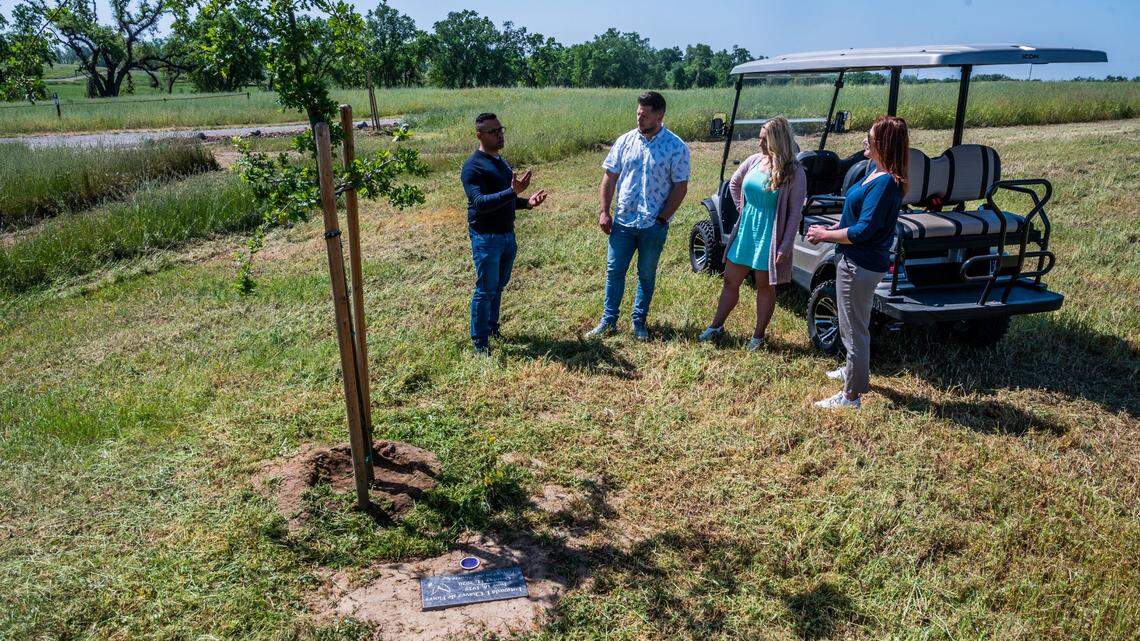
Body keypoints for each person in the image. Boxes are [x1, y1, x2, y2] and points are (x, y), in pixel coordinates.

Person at [806, 115, 908, 409]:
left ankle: (851, 396)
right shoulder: (875, 173)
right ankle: (853, 371)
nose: (865, 139)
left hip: (859, 264)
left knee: (854, 329)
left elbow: (864, 230)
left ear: (884, 144)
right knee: (852, 323)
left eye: (871, 136)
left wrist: (826, 233)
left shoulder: (885, 183)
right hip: (855, 262)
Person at [585, 91, 690, 341]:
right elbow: (609, 176)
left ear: (660, 115)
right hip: (623, 221)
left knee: (646, 273)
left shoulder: (676, 147)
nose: (639, 118)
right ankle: (608, 321)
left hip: (653, 224)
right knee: (614, 271)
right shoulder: (625, 141)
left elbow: (680, 186)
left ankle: (638, 321)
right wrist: (604, 211)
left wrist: (662, 219)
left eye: (645, 114)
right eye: (637, 113)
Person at [697, 116, 806, 350]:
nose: (759, 145)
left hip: (771, 233)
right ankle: (716, 326)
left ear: (777, 141)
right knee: (730, 279)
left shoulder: (794, 172)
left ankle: (757, 336)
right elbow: (734, 184)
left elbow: (795, 212)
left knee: (764, 286)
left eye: (763, 140)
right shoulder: (755, 161)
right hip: (747, 229)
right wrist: (742, 208)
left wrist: (785, 245)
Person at [460, 112, 548, 355]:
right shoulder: (472, 166)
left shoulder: (501, 161)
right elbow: (480, 202)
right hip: (486, 237)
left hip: (507, 236)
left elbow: (505, 198)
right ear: (479, 135)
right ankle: (480, 343)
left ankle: (492, 328)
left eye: (501, 130)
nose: (499, 135)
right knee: (485, 289)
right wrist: (512, 193)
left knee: (498, 287)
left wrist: (526, 202)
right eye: (493, 131)